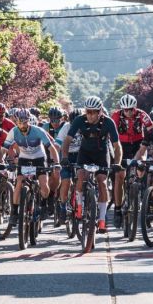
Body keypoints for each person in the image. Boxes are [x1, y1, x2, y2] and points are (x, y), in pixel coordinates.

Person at [61, 96, 121, 233]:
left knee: (102, 182)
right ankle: (80, 206)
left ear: (100, 112)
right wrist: (65, 157)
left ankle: (101, 220)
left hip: (102, 153)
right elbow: (67, 140)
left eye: (94, 112)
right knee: (81, 175)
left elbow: (117, 146)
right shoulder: (79, 120)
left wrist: (117, 163)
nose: (90, 115)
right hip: (85, 152)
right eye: (88, 111)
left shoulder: (108, 122)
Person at [4, 108, 59, 225]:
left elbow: (51, 148)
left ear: (28, 121)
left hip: (39, 158)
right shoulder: (13, 132)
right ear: (16, 122)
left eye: (24, 122)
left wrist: (56, 163)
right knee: (19, 183)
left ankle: (44, 203)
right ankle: (14, 212)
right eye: (19, 122)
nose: (22, 125)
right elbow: (4, 148)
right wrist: (2, 161)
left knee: (44, 185)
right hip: (24, 159)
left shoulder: (38, 131)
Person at [110, 94, 153, 226]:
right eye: (126, 109)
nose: (128, 112)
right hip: (122, 146)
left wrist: (152, 145)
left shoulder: (141, 115)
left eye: (131, 109)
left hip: (138, 144)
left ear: (135, 108)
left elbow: (151, 130)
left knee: (143, 165)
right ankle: (117, 209)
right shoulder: (116, 116)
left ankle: (145, 199)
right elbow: (109, 134)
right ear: (122, 108)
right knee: (119, 176)